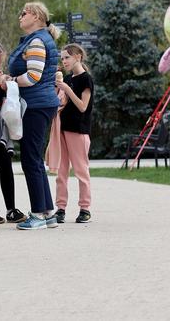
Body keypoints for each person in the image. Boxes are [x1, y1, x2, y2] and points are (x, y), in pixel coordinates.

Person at [6, 1, 60, 230]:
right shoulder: (37, 40)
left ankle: (38, 214)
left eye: (24, 13)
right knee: (35, 159)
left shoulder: (37, 41)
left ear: (37, 16)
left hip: (35, 104)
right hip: (39, 103)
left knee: (31, 160)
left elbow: (33, 76)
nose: (20, 16)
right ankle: (47, 212)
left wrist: (9, 81)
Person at [0, 41, 26, 223]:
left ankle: (11, 208)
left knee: (6, 166)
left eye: (0, 64)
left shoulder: (1, 78)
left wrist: (7, 84)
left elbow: (3, 99)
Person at [55, 44, 94, 223]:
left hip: (78, 130)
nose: (64, 61)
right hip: (63, 128)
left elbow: (82, 106)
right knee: (62, 171)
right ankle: (60, 208)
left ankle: (85, 208)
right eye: (62, 58)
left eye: (67, 58)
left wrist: (68, 90)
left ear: (78, 56)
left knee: (80, 170)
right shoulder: (68, 78)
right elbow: (63, 104)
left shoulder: (86, 79)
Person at [45, 71, 67, 175]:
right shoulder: (56, 85)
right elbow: (53, 100)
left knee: (80, 167)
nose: (64, 60)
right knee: (61, 173)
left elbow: (61, 101)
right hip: (58, 123)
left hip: (69, 124)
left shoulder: (67, 84)